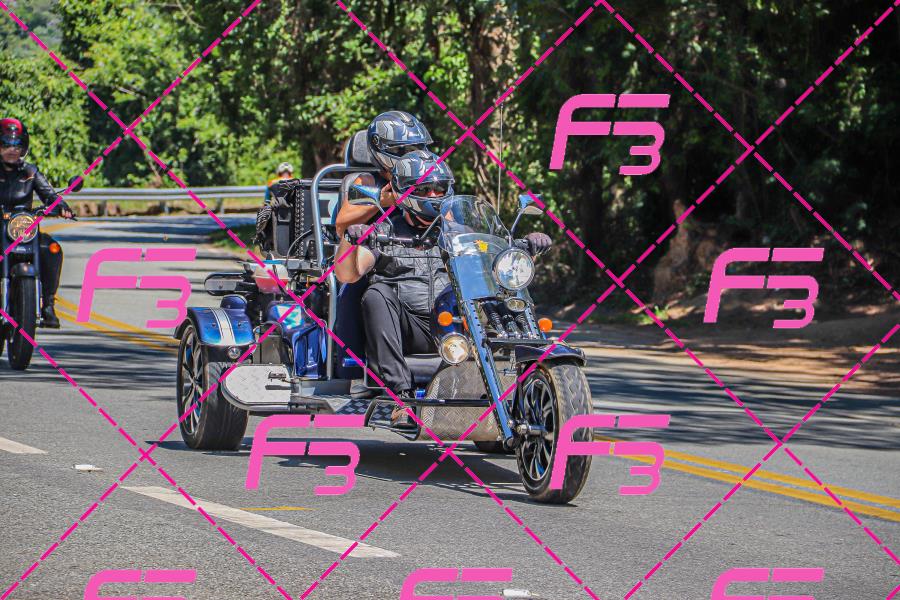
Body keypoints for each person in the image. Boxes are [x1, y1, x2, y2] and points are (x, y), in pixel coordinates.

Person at [335, 150, 553, 407]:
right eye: (424, 189)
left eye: (439, 188)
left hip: (455, 323)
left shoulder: (462, 234)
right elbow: (347, 274)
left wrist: (527, 249)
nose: (433, 195)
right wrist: (350, 239)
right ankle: (401, 396)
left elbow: (500, 273)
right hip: (409, 328)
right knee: (376, 294)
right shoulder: (383, 232)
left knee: (496, 297)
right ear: (404, 191)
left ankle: (522, 382)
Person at [332, 111, 434, 391]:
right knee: (355, 286)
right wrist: (387, 199)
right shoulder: (367, 182)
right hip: (374, 255)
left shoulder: (427, 177)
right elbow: (342, 223)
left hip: (420, 255)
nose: (414, 154)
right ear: (384, 151)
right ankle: (353, 367)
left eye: (419, 147)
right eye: (406, 149)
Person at [0, 118, 72, 328]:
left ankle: (48, 304)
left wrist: (61, 207)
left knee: (51, 249)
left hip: (22, 230)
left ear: (24, 146)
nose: (12, 149)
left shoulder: (30, 172)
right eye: (6, 143)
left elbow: (49, 194)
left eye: (17, 144)